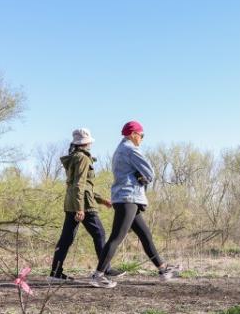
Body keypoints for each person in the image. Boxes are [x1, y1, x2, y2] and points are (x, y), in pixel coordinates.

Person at [89, 120, 178, 288]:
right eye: (141, 135)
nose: (142, 139)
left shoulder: (120, 149)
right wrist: (144, 177)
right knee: (116, 237)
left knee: (145, 235)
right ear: (133, 134)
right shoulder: (130, 149)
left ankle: (163, 269)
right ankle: (98, 275)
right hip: (128, 198)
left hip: (127, 198)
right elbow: (150, 173)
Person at [50, 128, 124, 281]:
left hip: (71, 203)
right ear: (86, 142)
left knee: (66, 239)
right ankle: (106, 269)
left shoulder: (74, 157)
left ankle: (55, 273)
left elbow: (81, 185)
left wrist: (101, 200)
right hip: (83, 205)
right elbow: (79, 185)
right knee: (100, 234)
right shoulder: (83, 158)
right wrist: (80, 209)